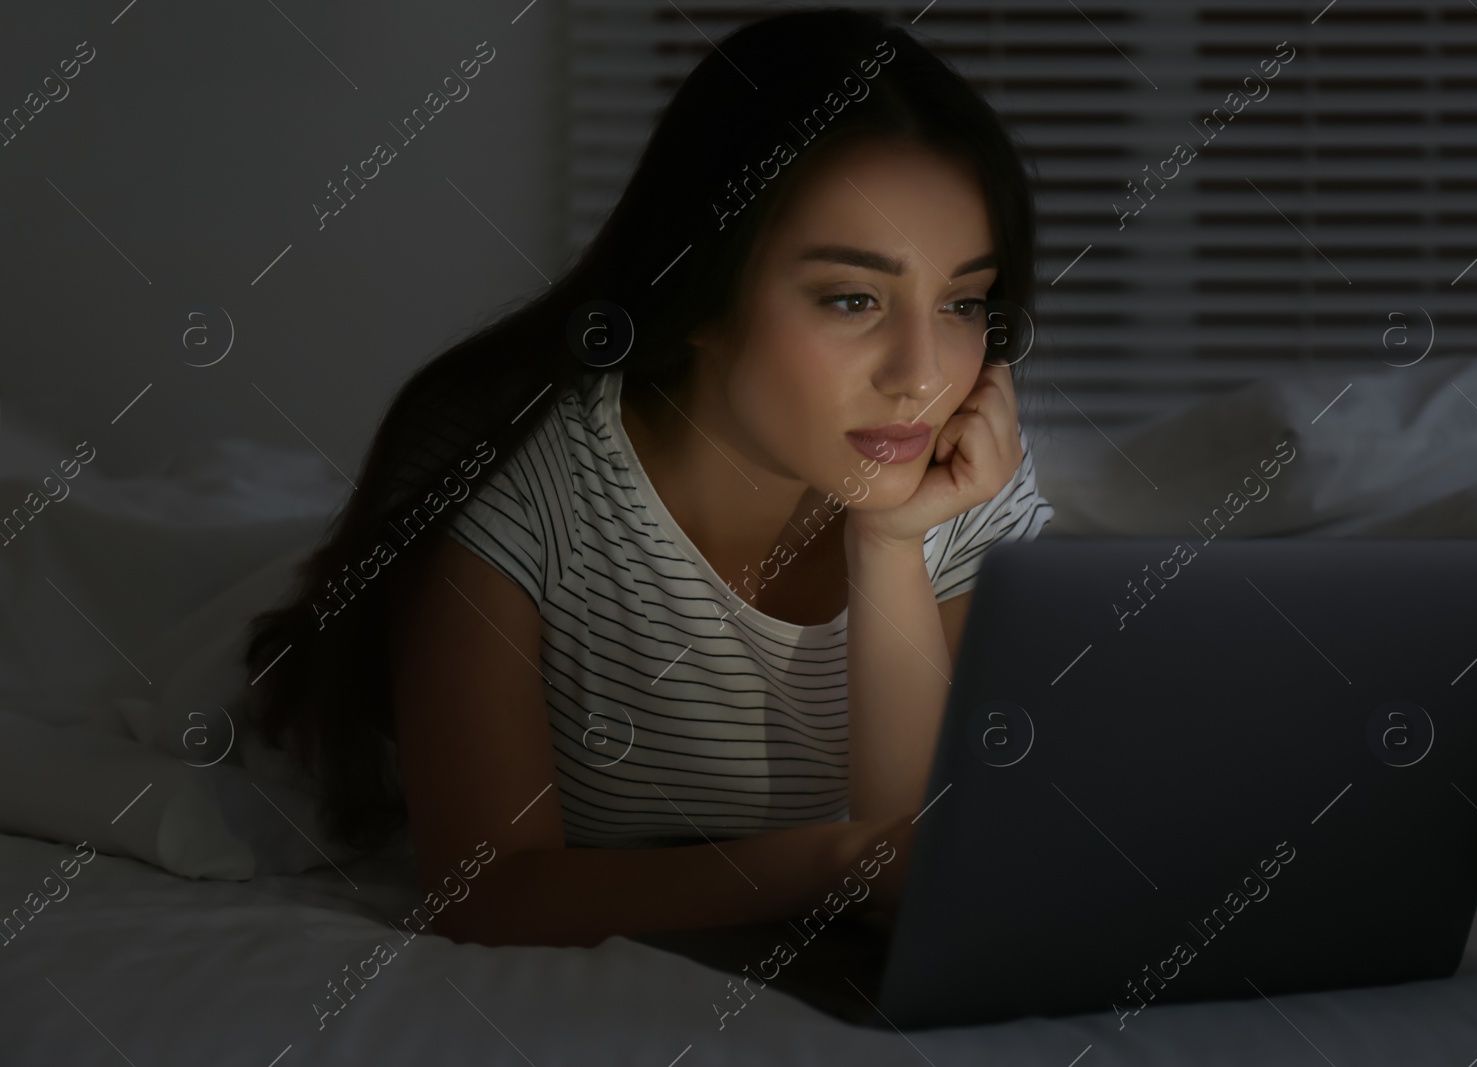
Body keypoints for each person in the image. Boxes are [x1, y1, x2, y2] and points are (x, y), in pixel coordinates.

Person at [244, 6, 1053, 949]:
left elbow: (934, 875)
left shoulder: (952, 470)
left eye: (962, 302)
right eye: (853, 298)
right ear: (699, 293)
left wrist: (889, 543)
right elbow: (484, 892)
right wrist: (839, 863)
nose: (921, 374)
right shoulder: (515, 482)